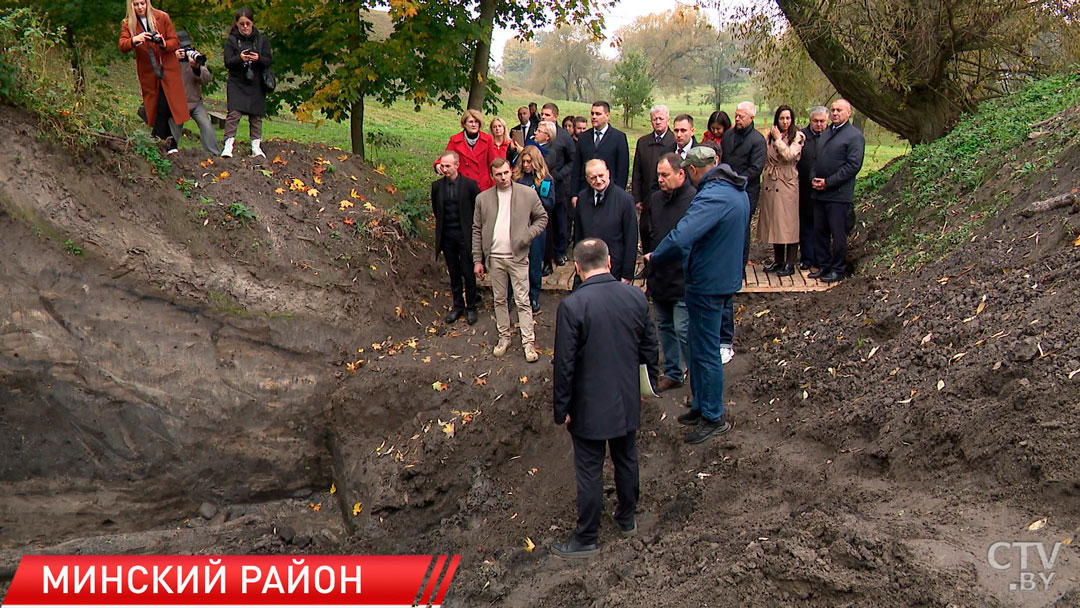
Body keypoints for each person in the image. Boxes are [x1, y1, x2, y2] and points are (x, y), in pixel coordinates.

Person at [551, 238, 659, 558]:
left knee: (589, 470)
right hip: (626, 397)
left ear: (577, 267)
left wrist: (563, 408)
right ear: (609, 262)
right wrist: (644, 387)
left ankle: (587, 537)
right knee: (626, 459)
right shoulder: (634, 297)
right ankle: (627, 519)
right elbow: (649, 348)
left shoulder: (572, 306)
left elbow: (565, 364)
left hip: (588, 406)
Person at [645, 147, 749, 444]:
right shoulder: (735, 190)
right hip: (721, 277)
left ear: (691, 170)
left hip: (707, 282)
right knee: (701, 348)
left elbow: (683, 234)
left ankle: (713, 416)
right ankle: (702, 406)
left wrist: (656, 257)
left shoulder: (713, 195)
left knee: (705, 352)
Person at [472, 158, 548, 362]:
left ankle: (528, 343)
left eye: (506, 172)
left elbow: (542, 218)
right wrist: (477, 259)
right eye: (499, 174)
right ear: (492, 176)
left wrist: (527, 235)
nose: (503, 177)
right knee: (499, 300)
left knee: (523, 301)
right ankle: (504, 337)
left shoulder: (527, 193)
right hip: (495, 258)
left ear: (511, 170)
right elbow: (477, 229)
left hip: (518, 256)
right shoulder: (483, 198)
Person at [640, 153, 695, 392]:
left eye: (665, 175)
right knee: (664, 326)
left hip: (683, 276)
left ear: (680, 173)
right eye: (658, 175)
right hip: (659, 276)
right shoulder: (655, 199)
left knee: (683, 329)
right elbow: (648, 232)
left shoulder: (693, 199)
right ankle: (673, 371)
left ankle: (697, 375)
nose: (660, 180)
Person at [119, 0, 190, 154]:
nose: (140, 7)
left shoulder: (162, 17)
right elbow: (122, 45)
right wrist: (134, 40)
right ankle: (169, 144)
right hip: (148, 72)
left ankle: (158, 141)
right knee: (156, 107)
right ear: (131, 6)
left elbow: (175, 41)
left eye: (142, 3)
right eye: (136, 4)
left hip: (168, 69)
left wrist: (163, 43)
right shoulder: (128, 23)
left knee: (166, 105)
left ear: (147, 3)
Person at [809, 99, 864, 283]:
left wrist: (829, 182)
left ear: (848, 113)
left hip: (838, 194)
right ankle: (823, 265)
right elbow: (816, 159)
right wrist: (814, 178)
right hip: (820, 192)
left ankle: (837, 269)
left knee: (837, 233)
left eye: (839, 110)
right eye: (832, 110)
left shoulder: (854, 136)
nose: (835, 113)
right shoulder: (826, 133)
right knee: (820, 231)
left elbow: (853, 166)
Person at [432, 151, 482, 326]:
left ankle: (471, 307)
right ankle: (457, 306)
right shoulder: (437, 187)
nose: (444, 169)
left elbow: (478, 209)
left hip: (465, 236)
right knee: (453, 273)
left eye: (448, 166)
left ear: (457, 165)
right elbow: (436, 210)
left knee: (468, 273)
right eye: (443, 166)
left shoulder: (469, 186)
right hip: (447, 237)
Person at [758, 105, 805, 277]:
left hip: (787, 181)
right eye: (782, 118)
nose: (785, 122)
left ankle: (790, 262)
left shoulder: (797, 136)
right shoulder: (770, 136)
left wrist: (778, 140)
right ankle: (778, 260)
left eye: (788, 118)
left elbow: (790, 155)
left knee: (789, 222)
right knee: (775, 222)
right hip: (771, 180)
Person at [573, 160, 638, 284]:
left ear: (608, 173)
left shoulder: (625, 200)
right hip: (587, 268)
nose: (598, 181)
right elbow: (578, 234)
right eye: (593, 178)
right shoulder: (582, 198)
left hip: (614, 269)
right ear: (586, 178)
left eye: (601, 176)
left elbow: (631, 239)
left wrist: (627, 274)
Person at [220, 6, 272, 159]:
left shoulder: (261, 40)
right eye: (241, 24)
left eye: (248, 23)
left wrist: (258, 58)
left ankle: (256, 147)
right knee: (234, 114)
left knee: (256, 116)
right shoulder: (232, 40)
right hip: (237, 82)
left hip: (256, 83)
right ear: (236, 24)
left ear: (253, 23)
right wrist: (240, 58)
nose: (245, 27)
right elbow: (228, 62)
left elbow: (269, 60)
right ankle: (228, 146)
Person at [721, 101, 767, 269]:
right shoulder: (728, 136)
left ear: (751, 117)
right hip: (726, 187)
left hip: (747, 190)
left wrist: (737, 179)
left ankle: (740, 266)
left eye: (741, 116)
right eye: (736, 115)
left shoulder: (757, 140)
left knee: (742, 226)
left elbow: (756, 168)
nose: (737, 119)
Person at [513, 145, 555, 312]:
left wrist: (533, 198)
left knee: (535, 263)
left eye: (529, 162)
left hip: (536, 227)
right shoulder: (517, 178)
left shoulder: (545, 180)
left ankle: (534, 296)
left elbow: (550, 203)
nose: (526, 165)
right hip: (518, 225)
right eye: (523, 161)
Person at [167, 30, 219, 156]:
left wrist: (196, 67)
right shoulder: (170, 59)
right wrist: (174, 60)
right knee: (172, 132)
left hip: (195, 102)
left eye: (187, 47)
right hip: (177, 104)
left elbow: (206, 79)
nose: (185, 50)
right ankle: (170, 153)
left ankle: (213, 154)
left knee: (206, 125)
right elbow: (163, 75)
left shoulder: (195, 57)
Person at [539, 104, 577, 266]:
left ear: (555, 117)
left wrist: (559, 175)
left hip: (559, 186)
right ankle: (545, 253)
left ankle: (560, 252)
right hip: (540, 187)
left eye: (547, 115)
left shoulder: (564, 137)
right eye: (542, 114)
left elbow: (572, 160)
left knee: (560, 220)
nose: (543, 117)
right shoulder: (538, 135)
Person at [573, 101, 630, 200]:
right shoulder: (583, 137)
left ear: (607, 116)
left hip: (610, 192)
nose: (594, 117)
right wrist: (574, 194)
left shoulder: (619, 137)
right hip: (586, 192)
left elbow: (622, 169)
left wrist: (618, 194)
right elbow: (576, 167)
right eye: (592, 113)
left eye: (598, 114)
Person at [796, 107, 828, 270]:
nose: (819, 124)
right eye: (815, 121)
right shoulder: (801, 136)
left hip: (826, 187)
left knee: (822, 225)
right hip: (804, 186)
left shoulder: (831, 136)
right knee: (806, 223)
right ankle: (807, 258)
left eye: (822, 121)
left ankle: (821, 258)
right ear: (810, 121)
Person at [437, 109, 497, 190]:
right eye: (471, 122)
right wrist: (438, 164)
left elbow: (493, 162)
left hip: (482, 184)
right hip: (462, 185)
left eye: (476, 122)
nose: (474, 125)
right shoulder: (455, 140)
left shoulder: (488, 139)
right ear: (464, 124)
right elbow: (445, 158)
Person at [630, 105, 674, 209]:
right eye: (655, 119)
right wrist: (637, 198)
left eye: (661, 119)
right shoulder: (643, 142)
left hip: (669, 200)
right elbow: (637, 172)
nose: (658, 122)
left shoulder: (674, 142)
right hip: (646, 199)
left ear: (668, 120)